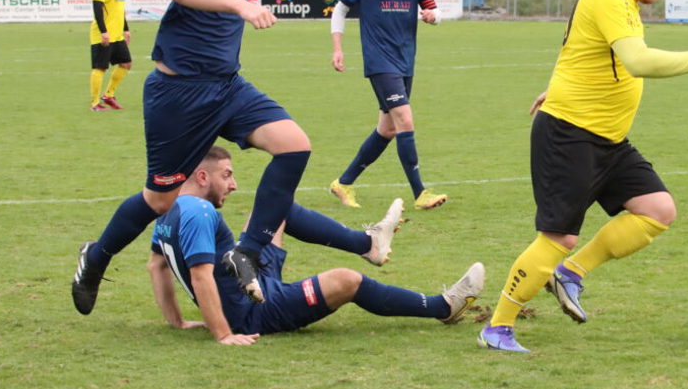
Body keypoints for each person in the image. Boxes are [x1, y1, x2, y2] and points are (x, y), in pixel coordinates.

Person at [477, 0, 688, 353]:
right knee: (557, 237)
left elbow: (582, 47)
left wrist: (561, 83)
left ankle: (571, 274)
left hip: (607, 137)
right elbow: (637, 61)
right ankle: (497, 327)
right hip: (570, 134)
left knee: (658, 210)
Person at [72, 0, 323, 315]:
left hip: (226, 87)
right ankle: (97, 255)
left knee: (294, 145)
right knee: (160, 198)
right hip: (181, 95)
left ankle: (246, 252)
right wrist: (242, 8)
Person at [147, 146, 486, 345]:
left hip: (249, 277)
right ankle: (443, 307)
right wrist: (223, 334)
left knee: (273, 211)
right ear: (202, 178)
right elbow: (201, 276)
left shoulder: (168, 210)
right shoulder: (200, 212)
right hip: (253, 312)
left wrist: (176, 322)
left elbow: (157, 265)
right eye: (226, 175)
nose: (233, 184)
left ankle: (368, 243)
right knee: (347, 280)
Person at [328, 0, 447, 211]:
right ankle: (420, 193)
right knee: (405, 120)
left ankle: (343, 183)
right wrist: (338, 48)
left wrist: (433, 17)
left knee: (388, 129)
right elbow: (339, 10)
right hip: (380, 61)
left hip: (406, 59)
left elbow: (434, 10)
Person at [88, 0, 132, 111]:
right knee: (100, 68)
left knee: (126, 63)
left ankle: (108, 95)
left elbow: (120, 9)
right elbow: (97, 8)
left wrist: (126, 29)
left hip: (117, 34)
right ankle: (94, 104)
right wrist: (103, 31)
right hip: (103, 34)